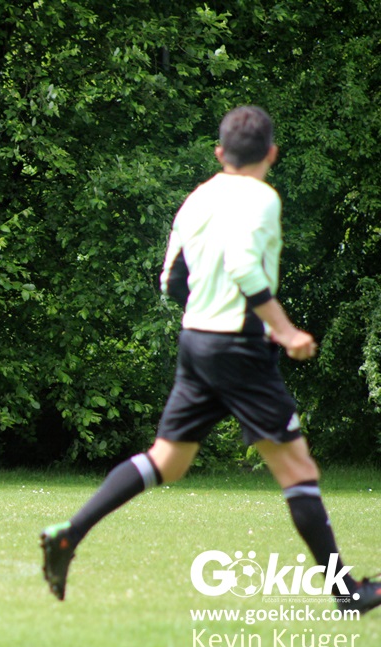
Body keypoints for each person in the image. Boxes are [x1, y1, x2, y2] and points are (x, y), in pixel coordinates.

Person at [39, 106, 381, 613]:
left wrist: (207, 316)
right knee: (298, 470)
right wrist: (285, 330)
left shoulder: (197, 199)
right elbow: (243, 266)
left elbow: (170, 280)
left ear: (220, 153)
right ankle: (347, 594)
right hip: (239, 349)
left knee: (167, 461)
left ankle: (70, 533)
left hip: (197, 342)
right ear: (271, 153)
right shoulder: (261, 197)